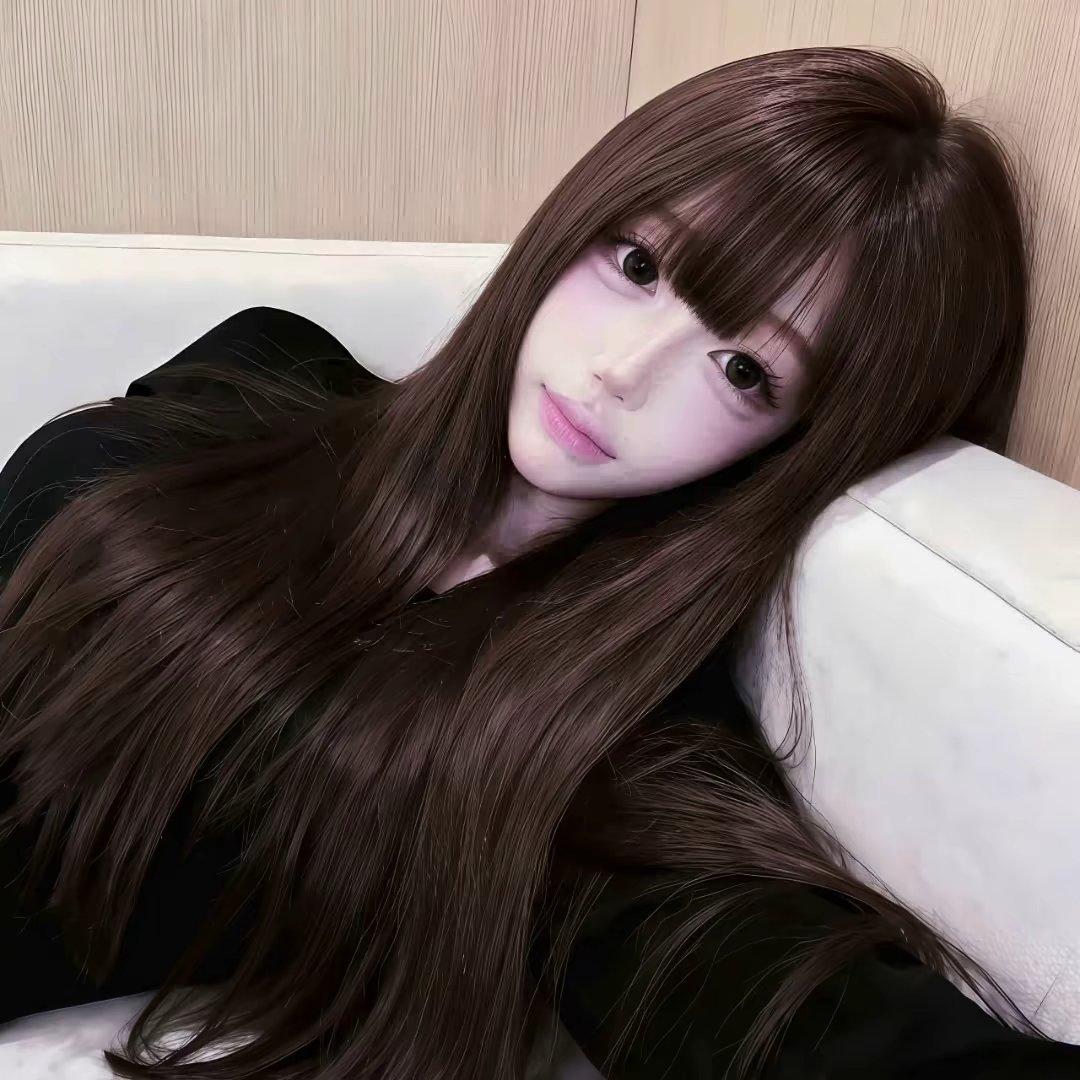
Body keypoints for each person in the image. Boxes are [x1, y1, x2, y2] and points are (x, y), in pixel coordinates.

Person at [1, 45, 1077, 1079]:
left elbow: (782, 1007)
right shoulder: (258, 368)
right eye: (640, 265)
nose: (622, 371)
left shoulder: (584, 754)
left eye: (744, 369)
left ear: (800, 443)